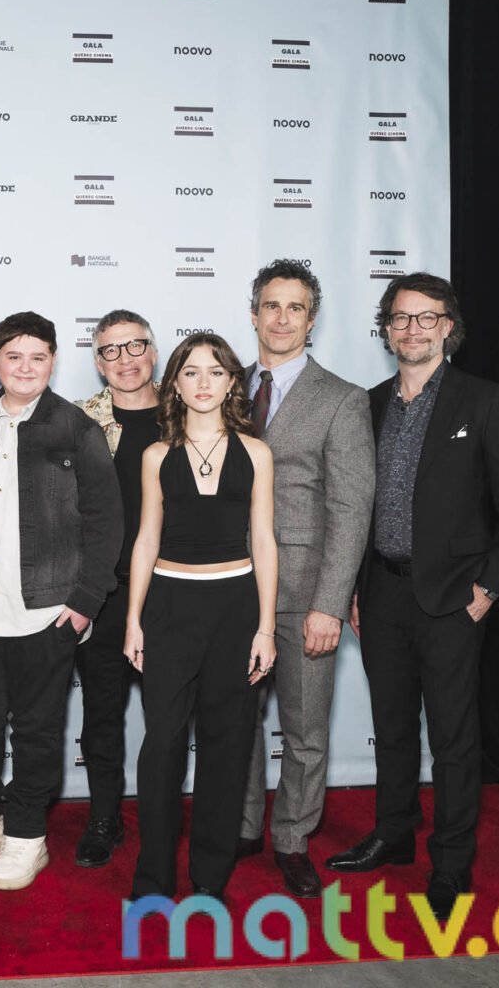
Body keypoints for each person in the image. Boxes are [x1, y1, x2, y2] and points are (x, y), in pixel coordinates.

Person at [329, 273, 499, 921]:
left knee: (452, 739)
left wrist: (488, 589)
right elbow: (353, 506)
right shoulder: (367, 405)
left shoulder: (486, 401)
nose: (412, 329)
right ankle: (394, 835)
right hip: (381, 595)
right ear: (386, 329)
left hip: (453, 599)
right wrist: (353, 588)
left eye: (427, 318)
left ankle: (450, 862)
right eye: (400, 318)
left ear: (449, 327)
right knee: (392, 729)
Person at [0, 312, 123, 891]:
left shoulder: (78, 430)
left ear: (53, 362)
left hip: (46, 611)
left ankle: (27, 835)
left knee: (36, 729)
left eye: (37, 357)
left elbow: (106, 521)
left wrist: (84, 601)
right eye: (14, 357)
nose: (25, 368)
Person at [235, 261, 375, 900]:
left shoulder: (342, 399)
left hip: (303, 593)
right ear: (254, 314)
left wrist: (329, 602)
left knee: (305, 729)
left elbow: (351, 508)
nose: (282, 318)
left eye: (295, 307)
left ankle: (291, 838)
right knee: (235, 719)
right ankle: (243, 827)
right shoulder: (221, 386)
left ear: (311, 319)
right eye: (272, 305)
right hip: (230, 586)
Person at [125, 333, 277, 901]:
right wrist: (134, 619)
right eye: (191, 372)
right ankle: (154, 877)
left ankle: (211, 877)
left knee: (227, 744)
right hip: (169, 608)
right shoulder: (156, 456)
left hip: (236, 608)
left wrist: (265, 627)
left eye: (215, 371)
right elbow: (146, 539)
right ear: (175, 384)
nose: (204, 382)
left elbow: (264, 541)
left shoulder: (256, 453)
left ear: (233, 381)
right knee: (162, 745)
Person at [71, 310, 161, 868]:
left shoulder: (189, 414)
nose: (125, 360)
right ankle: (104, 817)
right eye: (111, 350)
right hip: (102, 592)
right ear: (98, 362)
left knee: (167, 716)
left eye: (135, 346)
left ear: (154, 351)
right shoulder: (78, 421)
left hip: (171, 592)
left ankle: (159, 818)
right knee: (101, 712)